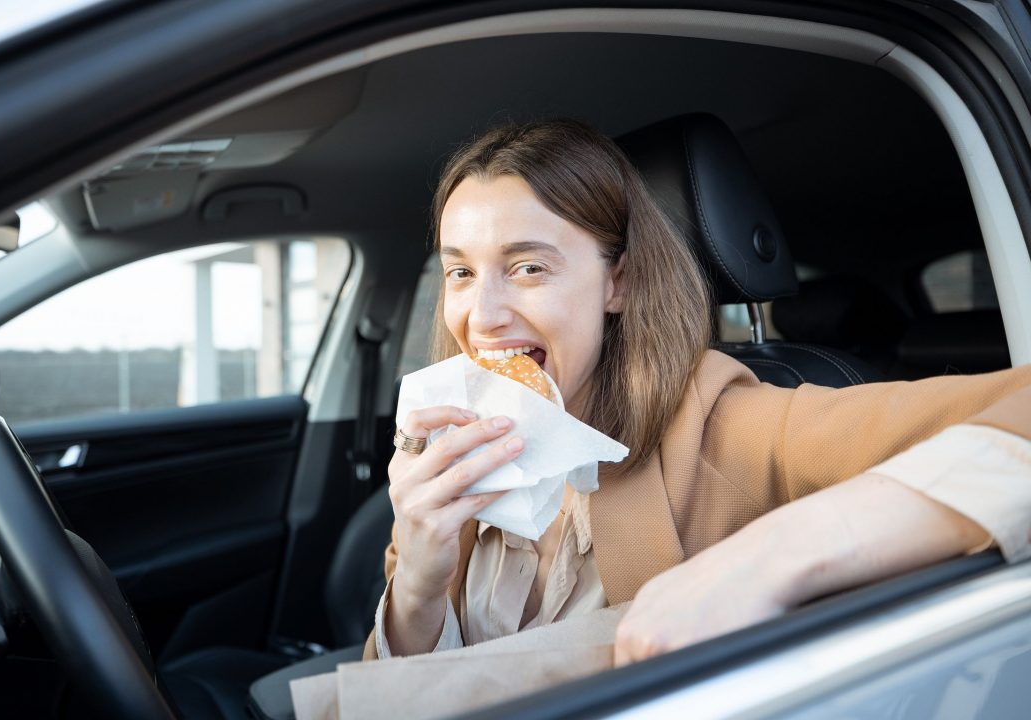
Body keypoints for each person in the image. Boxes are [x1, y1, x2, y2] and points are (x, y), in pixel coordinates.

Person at [367, 118, 1031, 665]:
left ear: (617, 283)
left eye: (529, 267)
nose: (481, 317)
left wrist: (775, 554)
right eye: (460, 270)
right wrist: (418, 588)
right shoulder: (450, 450)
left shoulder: (728, 426)